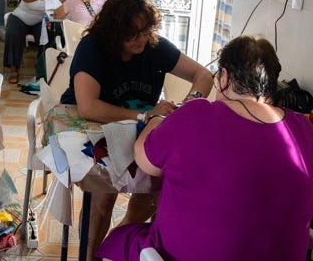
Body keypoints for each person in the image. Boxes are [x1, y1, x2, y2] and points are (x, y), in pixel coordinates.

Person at [96, 35, 313, 261]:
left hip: (180, 255)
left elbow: (144, 159)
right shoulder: (304, 128)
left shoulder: (198, 113)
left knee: (121, 238)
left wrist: (157, 116)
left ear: (225, 79)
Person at [59, 0, 214, 261]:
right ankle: (90, 255)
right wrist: (146, 115)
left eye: (146, 30)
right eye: (132, 33)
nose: (141, 39)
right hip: (89, 127)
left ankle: (112, 248)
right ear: (114, 31)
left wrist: (189, 104)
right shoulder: (93, 47)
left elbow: (203, 74)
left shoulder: (154, 46)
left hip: (136, 130)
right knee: (103, 196)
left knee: (156, 188)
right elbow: (88, 107)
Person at [3, 0, 66, 84]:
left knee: (48, 36)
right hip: (21, 16)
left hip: (41, 20)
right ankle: (14, 69)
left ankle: (42, 69)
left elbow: (63, 9)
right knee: (13, 33)